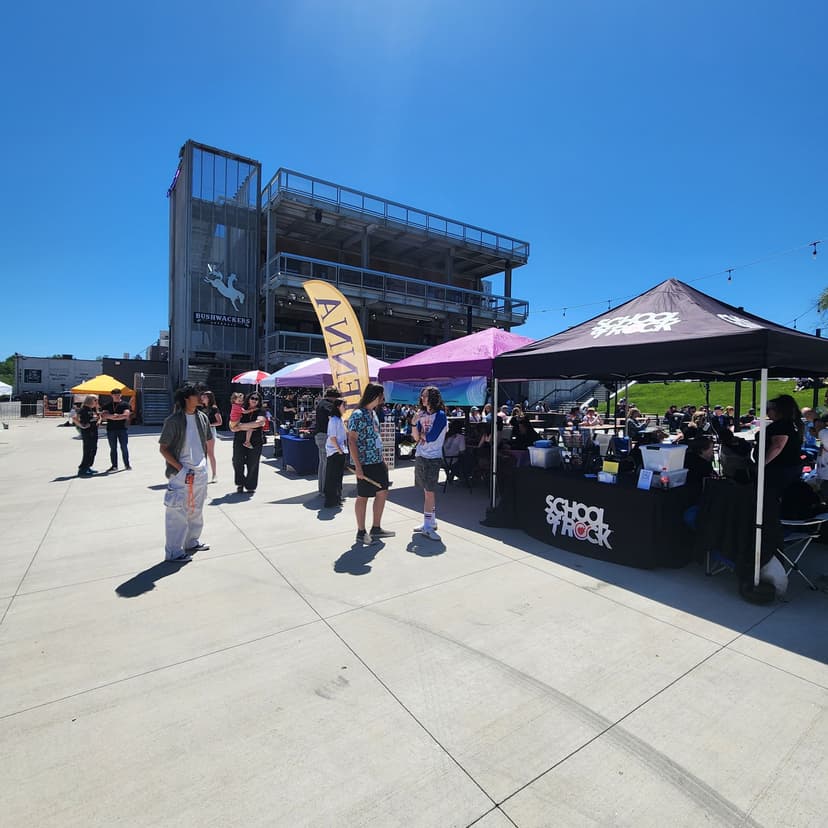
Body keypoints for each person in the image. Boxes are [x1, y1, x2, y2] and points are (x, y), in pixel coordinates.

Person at [158, 384, 213, 562]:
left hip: (200, 472)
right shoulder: (173, 420)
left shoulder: (202, 417)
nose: (201, 397)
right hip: (181, 473)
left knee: (196, 509)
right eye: (198, 395)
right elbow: (164, 448)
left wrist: (204, 465)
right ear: (187, 398)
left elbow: (205, 442)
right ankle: (173, 551)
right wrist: (181, 469)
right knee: (177, 512)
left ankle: (191, 542)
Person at [348, 383, 395, 545]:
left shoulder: (373, 413)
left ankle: (376, 527)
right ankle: (361, 531)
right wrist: (358, 466)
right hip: (365, 463)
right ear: (375, 396)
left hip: (377, 460)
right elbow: (352, 440)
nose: (383, 399)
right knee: (363, 496)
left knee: (383, 491)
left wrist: (382, 458)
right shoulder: (358, 414)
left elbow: (375, 436)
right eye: (381, 396)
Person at [412, 386, 448, 541]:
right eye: (422, 396)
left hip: (433, 457)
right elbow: (416, 438)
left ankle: (428, 525)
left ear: (433, 397)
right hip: (421, 454)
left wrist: (421, 435)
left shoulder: (440, 415)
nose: (422, 398)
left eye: (425, 396)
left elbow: (432, 436)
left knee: (430, 491)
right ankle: (430, 522)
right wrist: (414, 424)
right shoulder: (421, 415)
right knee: (426, 491)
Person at [763, 394, 804, 495]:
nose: (767, 412)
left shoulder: (781, 426)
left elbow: (777, 446)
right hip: (791, 466)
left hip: (780, 469)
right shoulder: (794, 424)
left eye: (768, 409)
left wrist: (762, 464)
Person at [230, 391, 266, 494]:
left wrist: (240, 426)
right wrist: (234, 427)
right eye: (252, 398)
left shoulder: (260, 410)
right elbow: (232, 423)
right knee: (237, 461)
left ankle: (250, 485)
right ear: (248, 399)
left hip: (255, 441)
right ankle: (240, 483)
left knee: (253, 463)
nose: (254, 400)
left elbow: (259, 422)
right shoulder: (241, 407)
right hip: (239, 439)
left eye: (256, 399)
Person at [314, 386, 342, 496]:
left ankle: (322, 489)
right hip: (326, 436)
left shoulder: (321, 403)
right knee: (327, 465)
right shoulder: (328, 405)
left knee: (322, 464)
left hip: (320, 435)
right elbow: (334, 419)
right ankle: (326, 490)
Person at [323, 398, 348, 508]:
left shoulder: (339, 420)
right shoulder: (333, 420)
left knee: (338, 476)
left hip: (340, 450)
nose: (345, 408)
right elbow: (332, 438)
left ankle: (337, 497)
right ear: (338, 407)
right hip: (334, 452)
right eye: (344, 406)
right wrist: (339, 450)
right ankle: (331, 499)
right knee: (332, 477)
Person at [100, 388, 131, 472]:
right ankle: (114, 466)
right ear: (112, 395)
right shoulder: (108, 405)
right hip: (111, 429)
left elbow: (126, 415)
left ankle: (127, 465)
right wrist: (115, 417)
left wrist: (113, 417)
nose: (117, 396)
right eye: (115, 395)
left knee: (124, 447)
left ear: (121, 395)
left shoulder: (125, 404)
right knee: (113, 448)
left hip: (122, 429)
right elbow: (104, 416)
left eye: (118, 395)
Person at [74, 394, 100, 476]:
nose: (96, 402)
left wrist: (99, 421)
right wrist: (82, 425)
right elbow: (75, 418)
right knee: (88, 450)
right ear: (90, 400)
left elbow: (98, 417)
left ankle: (88, 466)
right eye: (95, 400)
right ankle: (83, 468)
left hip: (94, 431)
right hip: (87, 432)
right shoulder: (83, 409)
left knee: (94, 449)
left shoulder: (93, 409)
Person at [199, 390, 222, 482]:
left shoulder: (214, 408)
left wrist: (209, 425)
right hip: (200, 432)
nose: (202, 398)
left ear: (209, 398)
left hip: (210, 431)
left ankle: (214, 474)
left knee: (210, 453)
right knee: (201, 454)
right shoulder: (201, 408)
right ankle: (203, 474)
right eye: (202, 396)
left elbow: (220, 422)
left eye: (204, 397)